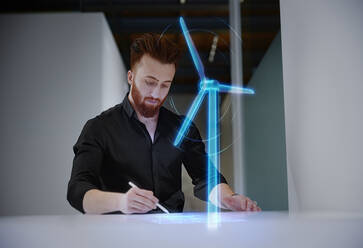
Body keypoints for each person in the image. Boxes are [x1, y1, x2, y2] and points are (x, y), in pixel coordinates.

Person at [67, 33, 261, 214]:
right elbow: (77, 189)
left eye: (165, 85)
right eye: (149, 82)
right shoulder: (99, 128)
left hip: (171, 232)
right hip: (118, 233)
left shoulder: (183, 128)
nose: (156, 93)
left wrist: (229, 198)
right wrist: (121, 202)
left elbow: (205, 177)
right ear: (130, 77)